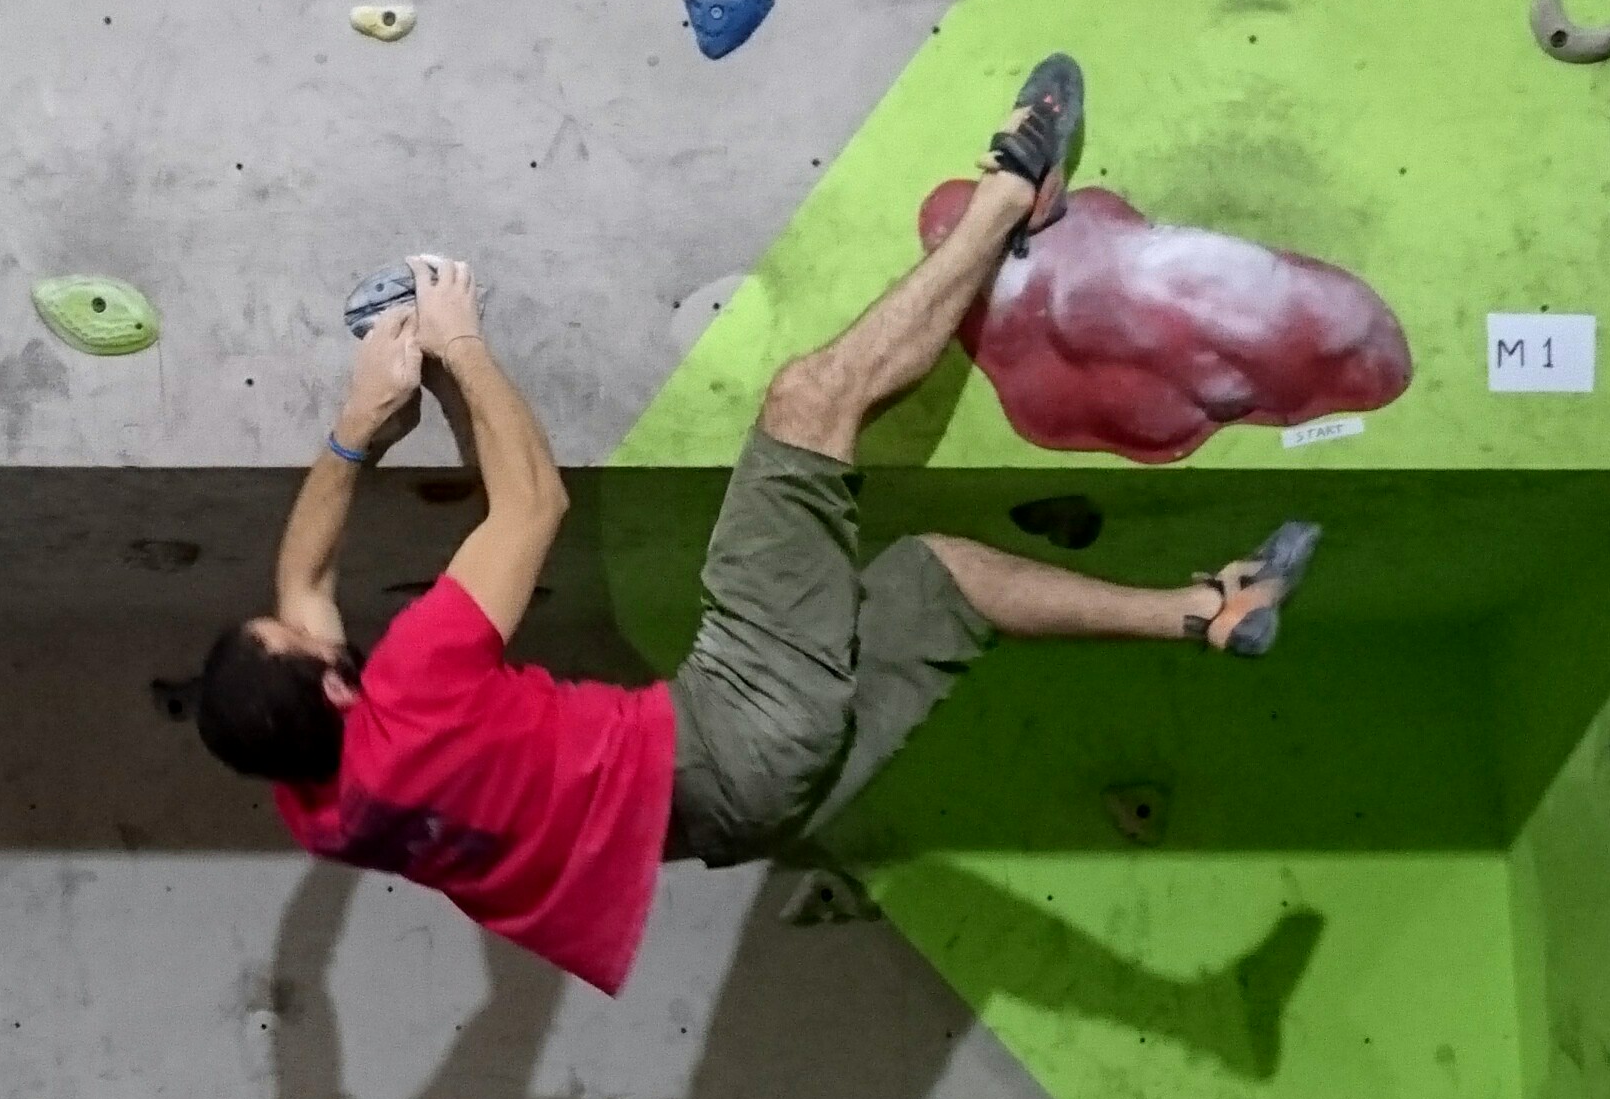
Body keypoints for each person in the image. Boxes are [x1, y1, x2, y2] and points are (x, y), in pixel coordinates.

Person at [192, 55, 1318, 995]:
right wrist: (458, 340)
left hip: (734, 820)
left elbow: (304, 588)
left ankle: (1207, 613)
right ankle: (1012, 192)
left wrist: (356, 428)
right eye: (306, 647)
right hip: (730, 723)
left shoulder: (325, 813)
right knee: (807, 403)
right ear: (339, 688)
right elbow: (533, 503)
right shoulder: (420, 683)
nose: (304, 619)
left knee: (943, 577)